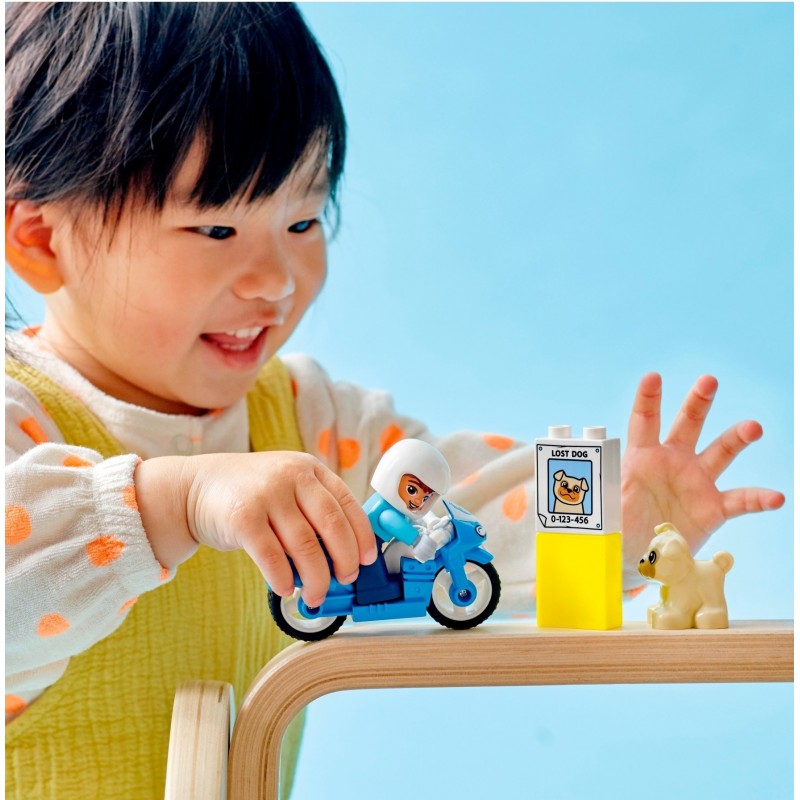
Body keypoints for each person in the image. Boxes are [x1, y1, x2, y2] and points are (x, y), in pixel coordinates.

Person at [4, 3, 785, 799]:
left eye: (303, 221)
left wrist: (615, 521)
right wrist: (176, 501)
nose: (275, 281)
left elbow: (470, 508)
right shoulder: (15, 412)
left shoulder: (310, 421)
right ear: (40, 239)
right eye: (216, 231)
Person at [356, 438, 452, 604]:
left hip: (370, 542)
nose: (418, 501)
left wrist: (429, 520)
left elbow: (410, 519)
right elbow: (389, 521)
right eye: (412, 490)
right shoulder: (386, 509)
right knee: (371, 562)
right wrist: (416, 540)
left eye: (426, 497)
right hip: (364, 544)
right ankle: (374, 591)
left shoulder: (395, 506)